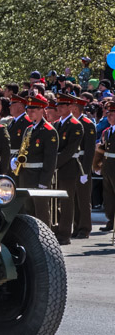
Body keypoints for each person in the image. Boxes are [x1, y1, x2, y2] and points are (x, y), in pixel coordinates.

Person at [13, 93, 59, 233]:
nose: (30, 112)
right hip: (26, 175)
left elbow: (50, 160)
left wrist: (44, 182)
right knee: (28, 210)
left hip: (39, 176)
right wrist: (15, 159)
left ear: (41, 110)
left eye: (33, 110)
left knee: (41, 211)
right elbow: (23, 149)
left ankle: (45, 239)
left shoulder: (49, 131)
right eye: (28, 110)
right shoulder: (29, 129)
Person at [52, 94, 84, 243]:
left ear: (71, 107)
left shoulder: (76, 125)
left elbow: (69, 150)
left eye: (63, 106)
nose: (59, 108)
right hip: (57, 167)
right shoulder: (57, 124)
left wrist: (54, 163)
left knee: (66, 202)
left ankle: (65, 234)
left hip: (69, 167)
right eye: (58, 105)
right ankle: (56, 229)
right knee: (55, 201)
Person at [71, 94, 96, 238]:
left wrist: (85, 172)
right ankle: (76, 226)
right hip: (73, 164)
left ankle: (85, 228)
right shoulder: (73, 123)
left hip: (82, 164)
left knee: (83, 199)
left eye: (72, 106)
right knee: (74, 198)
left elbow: (89, 151)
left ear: (76, 108)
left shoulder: (87, 124)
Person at [96, 102, 115, 233]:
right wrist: (98, 165)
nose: (109, 116)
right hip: (108, 167)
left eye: (112, 114)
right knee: (108, 196)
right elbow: (103, 151)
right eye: (108, 114)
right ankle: (111, 220)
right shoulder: (107, 132)